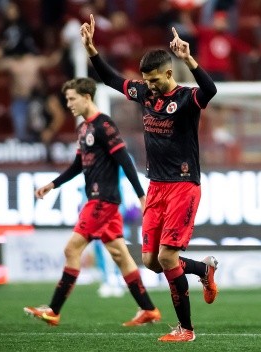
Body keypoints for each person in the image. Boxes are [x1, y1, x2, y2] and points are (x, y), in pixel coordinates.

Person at [81, 15, 219, 342]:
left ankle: (186, 330)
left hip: (183, 186)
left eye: (155, 80)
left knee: (167, 257)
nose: (151, 85)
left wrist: (189, 58)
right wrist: (91, 50)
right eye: (147, 80)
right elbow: (113, 80)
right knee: (151, 261)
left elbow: (210, 90)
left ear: (169, 73)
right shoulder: (146, 94)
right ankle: (203, 269)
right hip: (155, 186)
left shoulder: (186, 99)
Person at [24, 77, 161, 327]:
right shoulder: (83, 129)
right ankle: (148, 309)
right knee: (121, 255)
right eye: (67, 99)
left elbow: (125, 162)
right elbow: (79, 164)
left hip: (103, 200)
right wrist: (52, 185)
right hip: (100, 200)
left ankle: (53, 309)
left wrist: (142, 196)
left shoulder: (104, 125)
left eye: (72, 99)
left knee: (71, 249)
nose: (68, 104)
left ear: (87, 97)